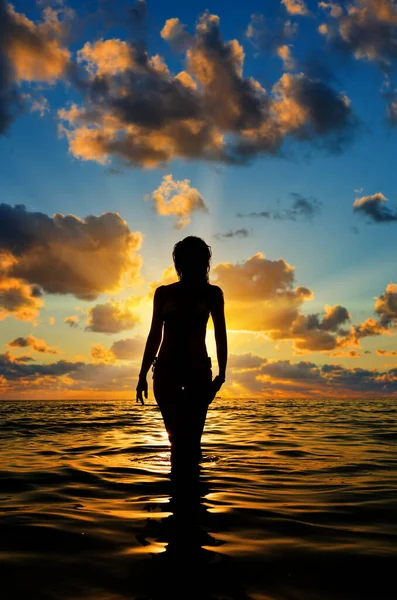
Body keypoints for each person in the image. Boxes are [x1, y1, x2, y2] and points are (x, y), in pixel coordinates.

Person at [136, 236, 227, 466]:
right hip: (166, 372)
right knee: (177, 441)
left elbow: (220, 335)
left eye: (194, 260)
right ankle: (179, 496)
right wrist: (142, 374)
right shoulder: (164, 293)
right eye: (184, 261)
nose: (188, 266)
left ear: (203, 263)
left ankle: (190, 497)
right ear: (178, 264)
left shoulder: (212, 294)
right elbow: (154, 335)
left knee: (192, 443)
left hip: (198, 373)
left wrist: (221, 377)